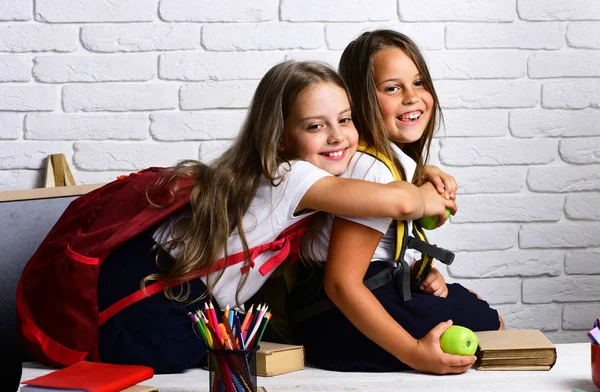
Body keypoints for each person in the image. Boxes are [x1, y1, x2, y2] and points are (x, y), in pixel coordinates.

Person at [96, 60, 457, 374]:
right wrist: (425, 194)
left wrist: (421, 171)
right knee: (190, 356)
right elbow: (399, 204)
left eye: (345, 120)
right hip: (154, 299)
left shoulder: (286, 177)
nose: (338, 137)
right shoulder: (292, 176)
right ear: (280, 138)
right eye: (315, 126)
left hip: (174, 292)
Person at [288, 30, 503, 375]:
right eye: (392, 88)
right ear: (361, 100)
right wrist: (415, 354)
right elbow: (341, 282)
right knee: (488, 324)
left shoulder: (386, 161)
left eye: (418, 82)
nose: (412, 97)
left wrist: (418, 272)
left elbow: (381, 252)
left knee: (472, 308)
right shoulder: (371, 169)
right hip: (334, 318)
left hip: (352, 297)